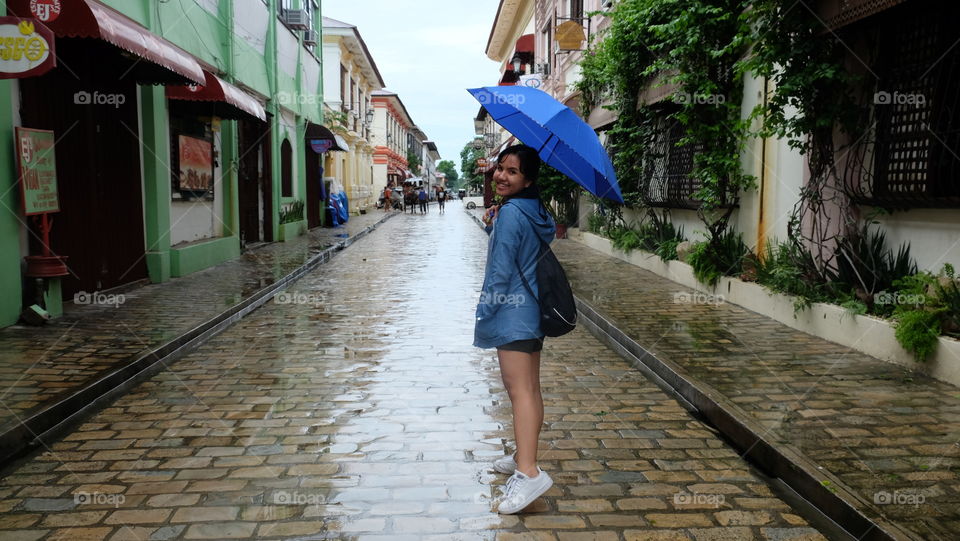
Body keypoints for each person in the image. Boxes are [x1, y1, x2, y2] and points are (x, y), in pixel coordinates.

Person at [474, 144, 556, 515]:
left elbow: (501, 271)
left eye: (512, 172)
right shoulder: (535, 210)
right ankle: (523, 455)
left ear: (528, 180)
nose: (502, 176)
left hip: (512, 313)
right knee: (530, 390)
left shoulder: (512, 215)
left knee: (519, 391)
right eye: (500, 168)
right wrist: (499, 218)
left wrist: (485, 311)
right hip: (533, 309)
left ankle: (529, 471)